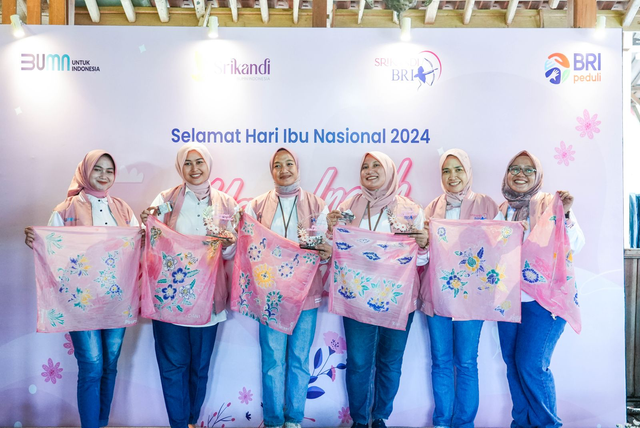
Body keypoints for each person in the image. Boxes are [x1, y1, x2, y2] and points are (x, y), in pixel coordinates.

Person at [24, 150, 139, 428]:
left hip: (116, 300)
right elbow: (53, 249)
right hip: (81, 303)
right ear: (86, 171)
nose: (103, 175)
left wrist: (146, 236)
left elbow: (135, 246)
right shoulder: (65, 209)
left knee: (110, 366)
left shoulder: (122, 209)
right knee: (91, 367)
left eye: (109, 170)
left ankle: (101, 423)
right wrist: (37, 240)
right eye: (97, 169)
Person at [326, 151, 429, 428]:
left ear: (390, 171)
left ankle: (380, 416)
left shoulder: (410, 209)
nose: (370, 171)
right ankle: (360, 420)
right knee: (359, 363)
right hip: (356, 299)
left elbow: (421, 260)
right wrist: (329, 230)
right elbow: (335, 250)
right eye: (365, 167)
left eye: (376, 166)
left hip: (399, 299)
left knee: (390, 362)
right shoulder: (349, 206)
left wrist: (423, 245)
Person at [140, 143, 238, 428]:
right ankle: (179, 424)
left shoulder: (227, 204)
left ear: (208, 165)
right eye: (188, 163)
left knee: (199, 368)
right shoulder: (165, 199)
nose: (194, 169)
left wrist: (228, 245)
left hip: (209, 299)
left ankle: (192, 421)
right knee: (173, 366)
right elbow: (152, 240)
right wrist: (149, 222)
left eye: (199, 162)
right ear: (180, 167)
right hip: (170, 297)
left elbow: (232, 254)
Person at [496, 150, 585, 428]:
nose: (520, 174)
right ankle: (520, 424)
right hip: (508, 300)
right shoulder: (502, 210)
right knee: (513, 365)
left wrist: (565, 212)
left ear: (538, 175)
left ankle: (548, 425)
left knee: (531, 365)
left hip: (544, 301)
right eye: (514, 168)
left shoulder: (550, 204)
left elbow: (576, 244)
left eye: (528, 169)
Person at [244, 148, 331, 428]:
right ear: (271, 171)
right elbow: (246, 246)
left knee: (299, 359)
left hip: (306, 293)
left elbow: (328, 248)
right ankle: (272, 420)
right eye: (277, 165)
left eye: (289, 164)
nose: (284, 170)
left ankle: (294, 420)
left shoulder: (317, 205)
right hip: (270, 296)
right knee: (272, 361)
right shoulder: (256, 206)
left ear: (298, 168)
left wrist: (326, 250)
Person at [422, 149, 499, 428]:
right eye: (446, 171)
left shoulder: (487, 204)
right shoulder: (431, 208)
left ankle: (464, 424)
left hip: (472, 299)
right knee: (441, 361)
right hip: (436, 294)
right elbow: (425, 255)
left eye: (458, 170)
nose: (452, 176)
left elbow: (499, 248)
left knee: (466, 362)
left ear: (468, 172)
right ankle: (442, 422)